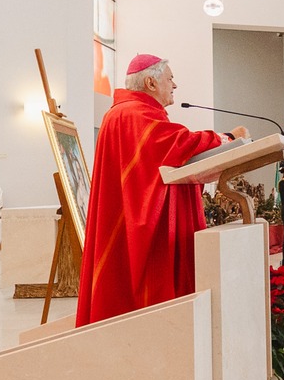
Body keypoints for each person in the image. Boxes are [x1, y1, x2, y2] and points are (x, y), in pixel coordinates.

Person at [75, 55, 244, 327]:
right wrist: (229, 138)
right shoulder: (133, 114)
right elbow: (179, 143)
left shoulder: (124, 113)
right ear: (151, 82)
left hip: (127, 218)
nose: (175, 85)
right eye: (170, 78)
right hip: (140, 232)